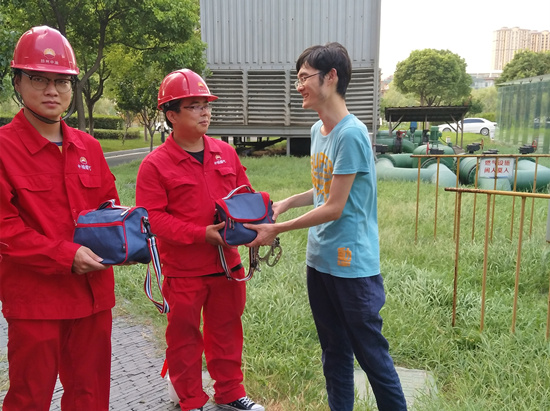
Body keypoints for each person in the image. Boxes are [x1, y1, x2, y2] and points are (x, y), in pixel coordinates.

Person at [246, 43, 408, 411]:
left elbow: (334, 207)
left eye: (304, 77)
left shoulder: (351, 134)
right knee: (334, 352)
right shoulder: (319, 130)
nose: (299, 85)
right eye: (298, 78)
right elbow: (324, 189)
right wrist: (287, 202)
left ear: (331, 77)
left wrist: (277, 229)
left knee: (371, 355)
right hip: (320, 260)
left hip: (352, 266)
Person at [0, 26, 119, 410]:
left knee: (91, 397)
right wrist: (65, 255)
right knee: (29, 399)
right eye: (39, 79)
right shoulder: (3, 149)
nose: (52, 90)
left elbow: (109, 209)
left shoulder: (89, 148)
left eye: (62, 81)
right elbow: (5, 229)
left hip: (93, 299)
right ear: (17, 82)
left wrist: (129, 237)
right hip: (36, 303)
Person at [135, 69, 264, 411]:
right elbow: (152, 219)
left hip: (226, 266)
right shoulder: (155, 165)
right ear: (171, 115)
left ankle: (230, 393)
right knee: (184, 338)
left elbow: (244, 197)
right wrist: (200, 234)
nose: (205, 112)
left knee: (227, 332)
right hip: (184, 270)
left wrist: (257, 226)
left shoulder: (225, 153)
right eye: (194, 106)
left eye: (206, 105)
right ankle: (190, 400)